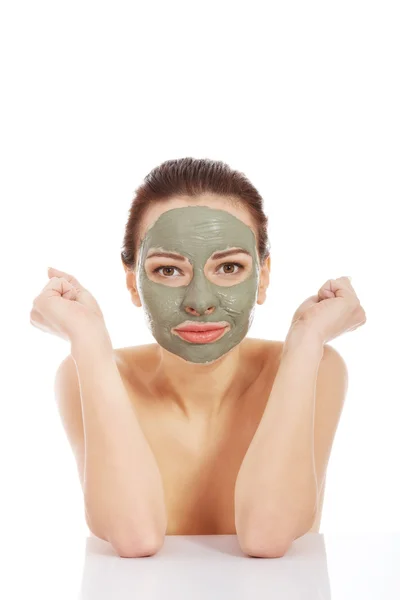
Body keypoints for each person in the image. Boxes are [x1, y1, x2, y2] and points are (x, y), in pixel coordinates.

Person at [30, 157, 366, 558]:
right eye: (168, 271)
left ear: (265, 276)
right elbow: (134, 538)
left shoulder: (315, 367)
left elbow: (267, 536)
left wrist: (307, 339)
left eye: (229, 267)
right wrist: (87, 341)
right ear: (132, 282)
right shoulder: (86, 371)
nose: (200, 302)